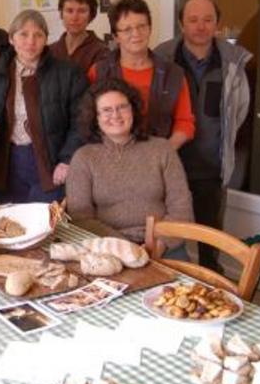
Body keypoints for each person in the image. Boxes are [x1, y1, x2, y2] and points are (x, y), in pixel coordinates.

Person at [155, 0, 251, 272]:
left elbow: (239, 110)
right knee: (171, 238)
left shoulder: (231, 63)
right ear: (181, 24)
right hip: (170, 165)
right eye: (193, 20)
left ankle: (210, 285)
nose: (201, 26)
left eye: (208, 20)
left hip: (211, 167)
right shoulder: (163, 58)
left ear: (217, 24)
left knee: (211, 239)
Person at [66, 78, 193, 258]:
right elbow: (81, 219)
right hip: (108, 249)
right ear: (95, 117)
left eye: (122, 107)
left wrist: (158, 245)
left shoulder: (162, 149)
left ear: (133, 110)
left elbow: (181, 206)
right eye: (106, 110)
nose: (116, 115)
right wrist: (126, 249)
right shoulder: (84, 158)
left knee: (185, 287)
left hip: (164, 246)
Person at [0, 9, 88, 204]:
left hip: (49, 163)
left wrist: (67, 160)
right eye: (23, 34)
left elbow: (81, 121)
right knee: (12, 226)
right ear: (11, 39)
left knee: (47, 226)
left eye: (38, 35)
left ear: (46, 39)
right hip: (7, 164)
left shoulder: (68, 73)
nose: (31, 41)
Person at [88, 0, 195, 150]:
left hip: (158, 161)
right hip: (111, 160)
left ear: (150, 28)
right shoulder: (98, 72)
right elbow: (88, 120)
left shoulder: (173, 74)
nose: (136, 34)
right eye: (127, 29)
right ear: (115, 36)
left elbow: (185, 122)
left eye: (141, 26)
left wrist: (164, 152)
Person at [49, 0, 110, 73]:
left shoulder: (101, 52)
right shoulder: (50, 51)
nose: (74, 17)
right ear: (61, 14)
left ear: (91, 15)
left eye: (82, 11)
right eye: (69, 11)